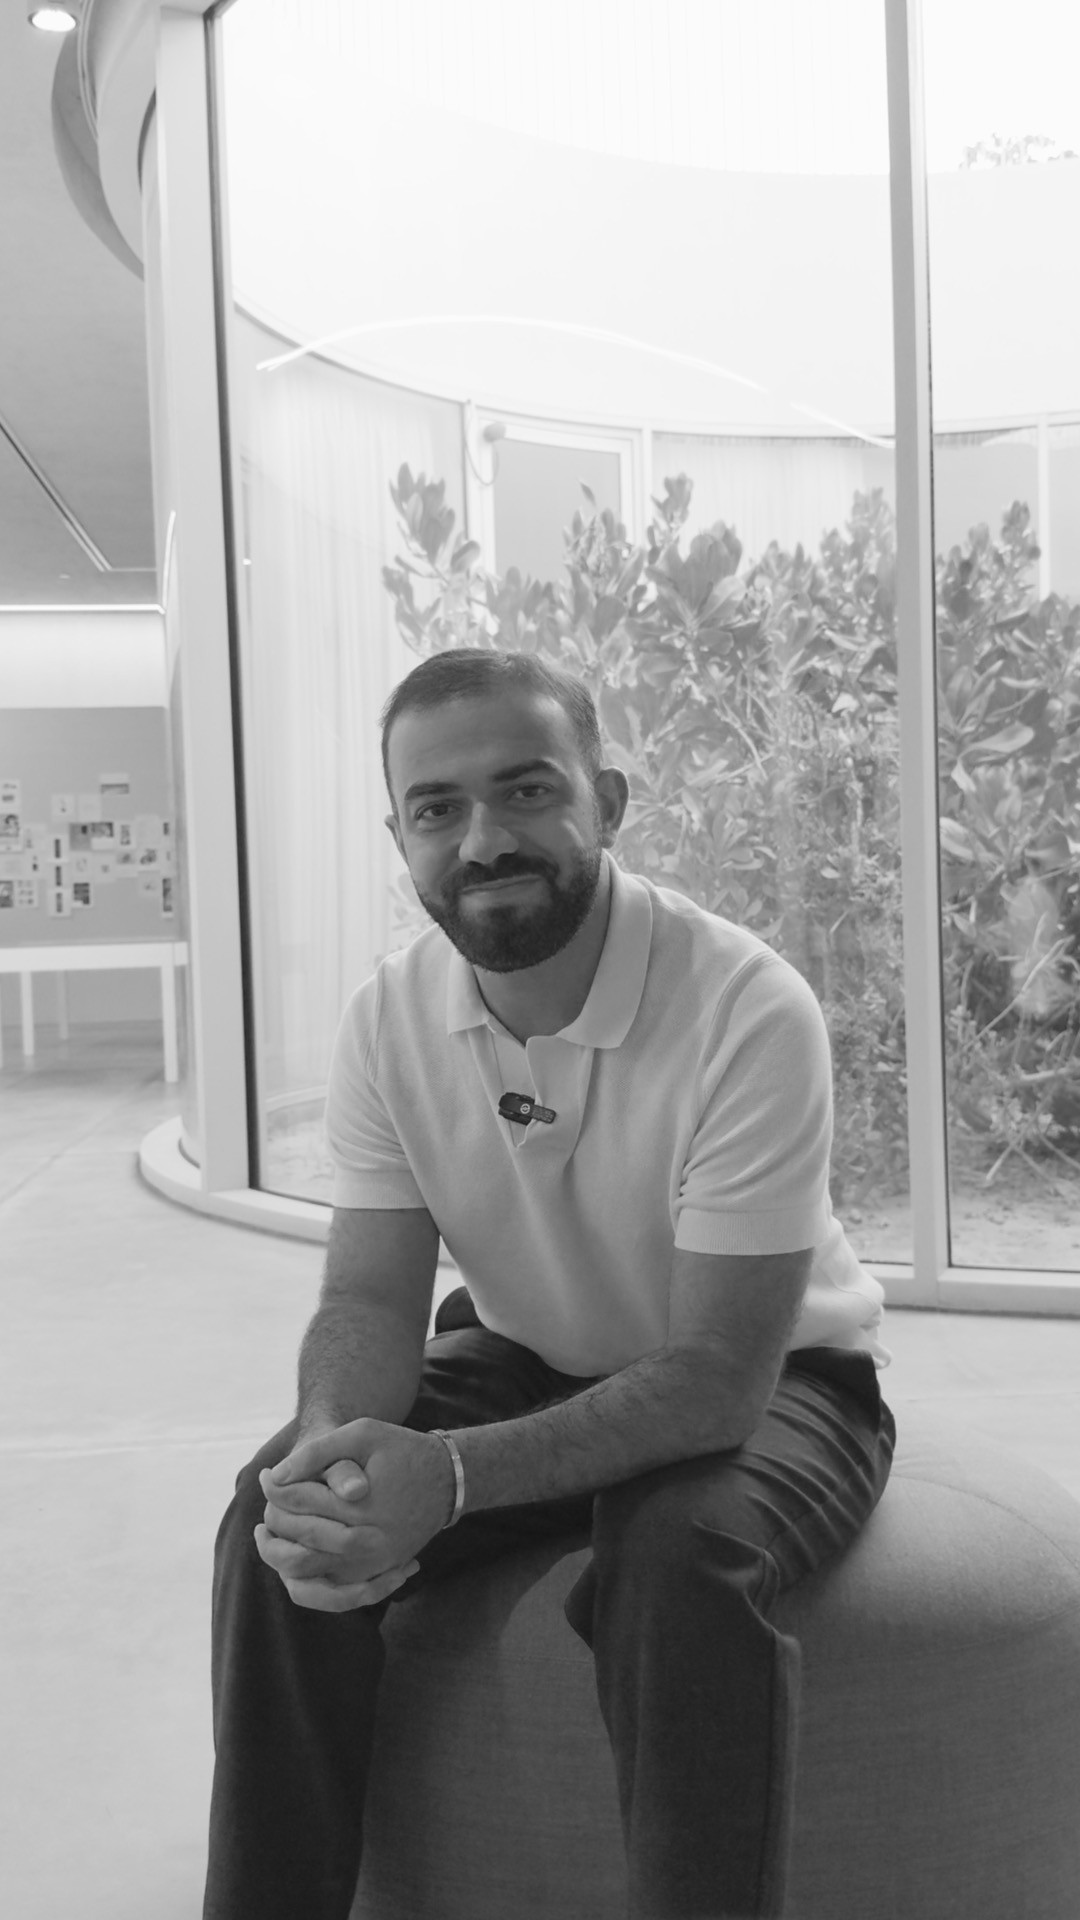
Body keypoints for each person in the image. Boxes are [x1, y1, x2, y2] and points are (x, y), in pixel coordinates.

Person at [203, 647, 896, 1920]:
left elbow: (714, 1380)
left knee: (675, 1560)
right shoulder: (387, 1018)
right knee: (278, 1510)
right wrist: (337, 1457)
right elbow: (369, 1300)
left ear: (607, 801)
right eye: (438, 808)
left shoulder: (748, 1005)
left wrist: (452, 1479)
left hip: (781, 1372)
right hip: (530, 1350)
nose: (483, 839)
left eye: (526, 791)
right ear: (405, 836)